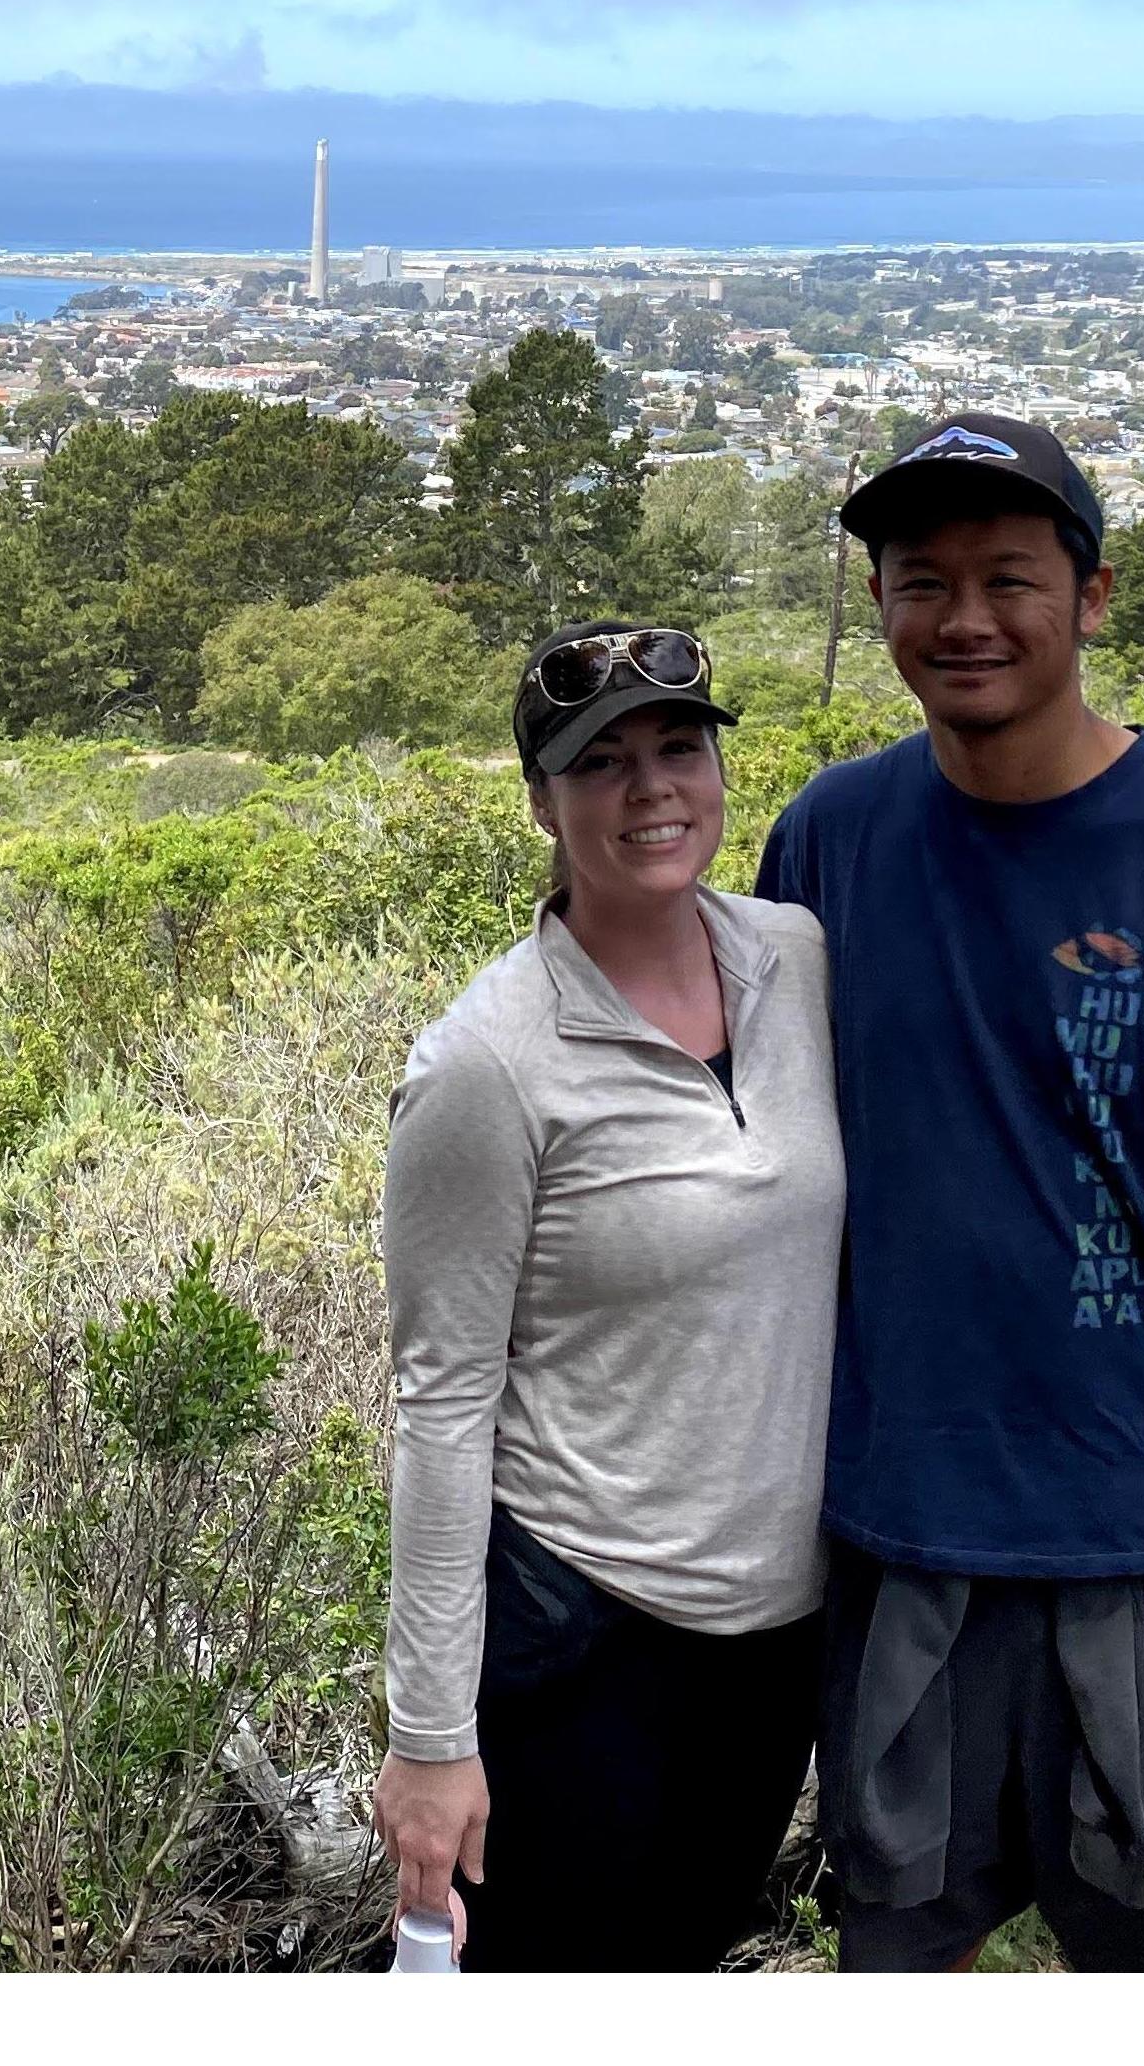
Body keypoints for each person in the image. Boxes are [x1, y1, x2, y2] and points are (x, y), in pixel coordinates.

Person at [755, 417, 1144, 1974]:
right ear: (881, 605)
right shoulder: (825, 843)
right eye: (922, 581)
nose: (963, 618)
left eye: (1007, 579)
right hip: (902, 1558)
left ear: (1094, 596)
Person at [372, 623, 845, 1972]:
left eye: (678, 746)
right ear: (541, 799)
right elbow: (442, 1406)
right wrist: (428, 1738)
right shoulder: (488, 1063)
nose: (652, 787)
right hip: (581, 1636)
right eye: (601, 760)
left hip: (772, 1646)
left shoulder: (796, 960)